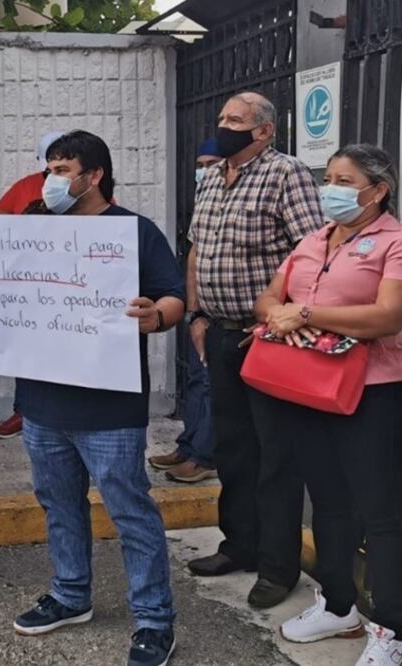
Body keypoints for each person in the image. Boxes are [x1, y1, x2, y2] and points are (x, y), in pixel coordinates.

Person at [0, 131, 185, 666]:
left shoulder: (133, 232)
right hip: (43, 404)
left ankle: (153, 620)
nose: (53, 180)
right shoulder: (32, 231)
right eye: (49, 168)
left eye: (64, 169)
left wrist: (157, 315)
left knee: (131, 511)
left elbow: (174, 295)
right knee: (58, 504)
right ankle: (71, 595)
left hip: (110, 407)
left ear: (94, 175)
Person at [254, 145, 402, 664]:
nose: (330, 188)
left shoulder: (395, 242)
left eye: (344, 179)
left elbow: (387, 316)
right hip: (311, 386)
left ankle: (390, 629)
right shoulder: (314, 239)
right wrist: (279, 312)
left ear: (377, 190)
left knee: (381, 511)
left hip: (374, 391)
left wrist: (307, 313)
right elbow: (270, 298)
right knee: (330, 502)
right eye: (329, 177)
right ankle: (339, 605)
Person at [184, 92, 324, 609]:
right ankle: (239, 545)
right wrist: (197, 315)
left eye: (235, 120)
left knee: (274, 455)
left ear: (264, 131)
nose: (224, 126)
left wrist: (279, 321)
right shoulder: (214, 177)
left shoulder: (285, 174)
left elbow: (312, 255)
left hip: (265, 337)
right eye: (221, 118)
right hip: (220, 332)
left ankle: (277, 565)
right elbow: (198, 247)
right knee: (234, 449)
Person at [149, 137, 223, 483]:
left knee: (209, 383)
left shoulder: (232, 201)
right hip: (200, 311)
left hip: (227, 314)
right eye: (200, 166)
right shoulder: (204, 201)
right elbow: (194, 257)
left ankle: (205, 455)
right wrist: (193, 310)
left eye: (212, 164)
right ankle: (189, 443)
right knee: (195, 380)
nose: (204, 172)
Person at [0, 130, 66, 439]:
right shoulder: (25, 186)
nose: (55, 171)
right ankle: (25, 410)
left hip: (71, 287)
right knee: (28, 349)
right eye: (52, 164)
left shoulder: (89, 189)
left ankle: (63, 411)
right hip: (28, 284)